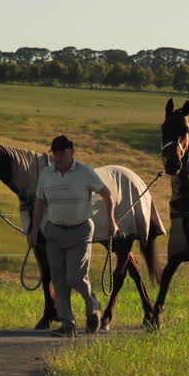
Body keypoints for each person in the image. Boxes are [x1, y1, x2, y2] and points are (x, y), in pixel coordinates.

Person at [27, 135, 118, 336]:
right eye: (55, 152)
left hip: (80, 231)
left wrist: (111, 220)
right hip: (54, 231)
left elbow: (106, 194)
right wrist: (34, 230)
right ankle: (68, 325)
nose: (58, 156)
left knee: (75, 276)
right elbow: (40, 202)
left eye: (62, 152)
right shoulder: (46, 174)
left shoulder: (85, 172)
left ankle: (92, 303)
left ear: (71, 152)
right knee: (58, 279)